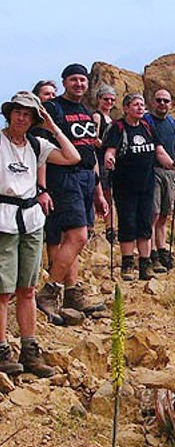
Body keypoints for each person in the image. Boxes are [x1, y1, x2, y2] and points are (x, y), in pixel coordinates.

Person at [0, 91, 80, 376]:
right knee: (3, 291)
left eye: (28, 114)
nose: (21, 118)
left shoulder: (36, 144)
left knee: (28, 289)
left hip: (31, 221)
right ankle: (2, 352)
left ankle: (29, 350)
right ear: (10, 114)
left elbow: (73, 157)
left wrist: (53, 127)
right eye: (17, 112)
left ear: (35, 119)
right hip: (4, 221)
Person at [37, 64, 109, 323]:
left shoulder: (87, 113)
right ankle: (50, 290)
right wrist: (42, 187)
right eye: (73, 79)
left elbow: (91, 154)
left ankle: (71, 293)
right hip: (64, 177)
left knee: (76, 237)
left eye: (82, 80)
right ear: (64, 82)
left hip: (87, 178)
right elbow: (41, 151)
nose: (79, 84)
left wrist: (99, 192)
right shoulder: (54, 109)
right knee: (77, 236)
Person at [103, 93, 175, 281]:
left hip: (147, 183)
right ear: (126, 108)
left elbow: (159, 150)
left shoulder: (147, 127)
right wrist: (109, 160)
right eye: (135, 105)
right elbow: (110, 150)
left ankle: (145, 264)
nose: (139, 108)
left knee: (145, 222)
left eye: (141, 105)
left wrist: (172, 165)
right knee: (128, 222)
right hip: (125, 184)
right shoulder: (118, 128)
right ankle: (128, 264)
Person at [145, 89, 175, 272]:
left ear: (171, 104)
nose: (162, 103)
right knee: (153, 214)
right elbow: (157, 150)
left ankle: (162, 251)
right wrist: (174, 165)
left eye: (165, 101)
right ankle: (151, 254)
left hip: (169, 172)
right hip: (153, 170)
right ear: (152, 102)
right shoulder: (147, 121)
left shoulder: (171, 122)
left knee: (164, 215)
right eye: (159, 100)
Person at [93, 84, 117, 238]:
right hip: (99, 159)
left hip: (110, 161)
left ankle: (111, 228)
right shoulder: (97, 116)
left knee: (110, 195)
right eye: (105, 99)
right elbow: (93, 137)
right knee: (102, 193)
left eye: (111, 100)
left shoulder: (112, 119)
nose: (109, 102)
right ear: (99, 99)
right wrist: (107, 146)